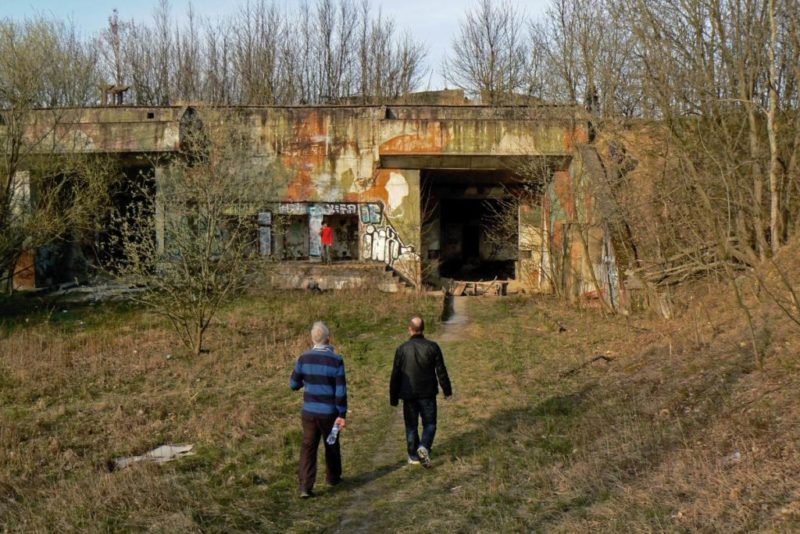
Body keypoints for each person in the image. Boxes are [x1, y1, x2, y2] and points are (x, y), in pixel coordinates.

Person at [290, 321, 347, 498]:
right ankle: (333, 477)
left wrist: (302, 382)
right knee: (331, 444)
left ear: (312, 339)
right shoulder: (336, 360)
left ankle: (305, 487)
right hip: (329, 413)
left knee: (308, 447)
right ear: (328, 339)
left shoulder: (303, 358)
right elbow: (340, 391)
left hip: (309, 412)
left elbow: (293, 384)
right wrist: (342, 413)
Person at [390, 316, 452, 468]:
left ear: (409, 329)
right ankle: (424, 446)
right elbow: (441, 371)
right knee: (430, 423)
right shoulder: (433, 347)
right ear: (423, 328)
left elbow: (395, 375)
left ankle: (413, 456)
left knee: (411, 425)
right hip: (428, 393)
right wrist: (447, 390)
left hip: (408, 394)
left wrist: (393, 397)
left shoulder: (401, 349)